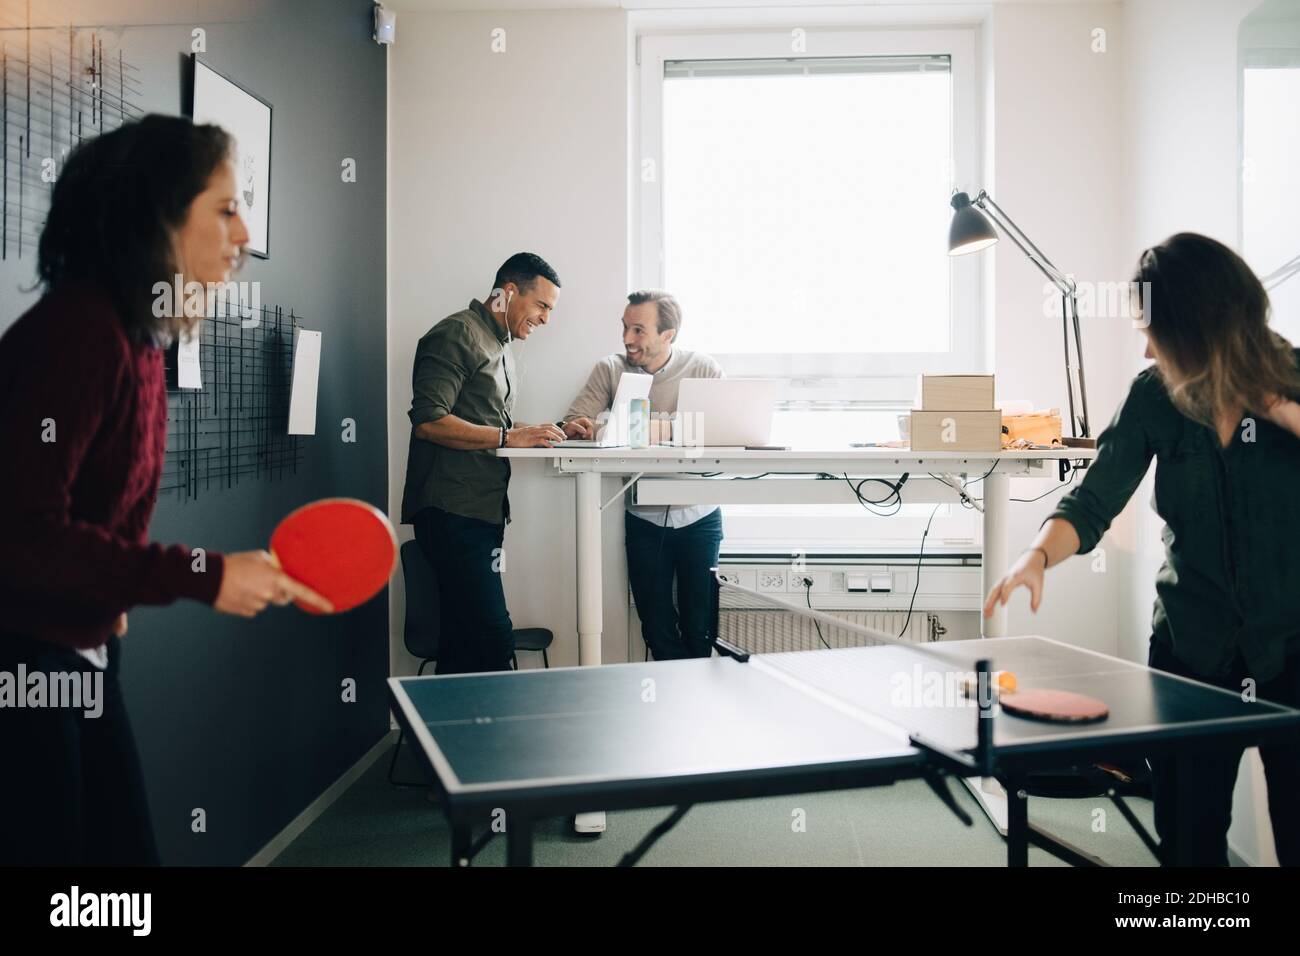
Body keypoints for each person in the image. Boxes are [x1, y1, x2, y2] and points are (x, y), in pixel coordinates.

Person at [0, 114, 331, 867]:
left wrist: (107, 594)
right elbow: (20, 533)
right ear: (157, 216)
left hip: (75, 651)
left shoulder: (138, 338)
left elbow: (84, 527)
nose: (244, 231)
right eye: (224, 208)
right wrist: (206, 576)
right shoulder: (79, 334)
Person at [984, 232, 1300, 866]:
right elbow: (1094, 500)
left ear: (1195, 325)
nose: (1146, 346)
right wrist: (1038, 557)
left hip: (1291, 652)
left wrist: (1281, 409)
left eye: (1153, 330)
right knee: (1188, 846)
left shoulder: (1291, 378)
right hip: (1190, 655)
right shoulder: (1154, 394)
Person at [400, 252, 568, 674]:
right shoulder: (456, 334)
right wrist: (510, 436)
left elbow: (493, 424)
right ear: (509, 293)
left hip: (482, 512)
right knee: (492, 637)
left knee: (462, 639)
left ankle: (442, 739)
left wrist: (556, 429)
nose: (546, 319)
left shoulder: (501, 346)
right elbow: (429, 420)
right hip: (450, 511)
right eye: (542, 306)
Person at [561, 290, 724, 660]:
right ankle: (671, 705)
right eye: (625, 327)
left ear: (668, 335)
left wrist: (647, 430)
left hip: (700, 517)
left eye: (639, 330)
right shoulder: (610, 369)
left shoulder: (703, 369)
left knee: (702, 628)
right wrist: (662, 428)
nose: (627, 339)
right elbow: (574, 424)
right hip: (643, 520)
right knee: (655, 626)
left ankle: (695, 708)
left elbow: (724, 432)